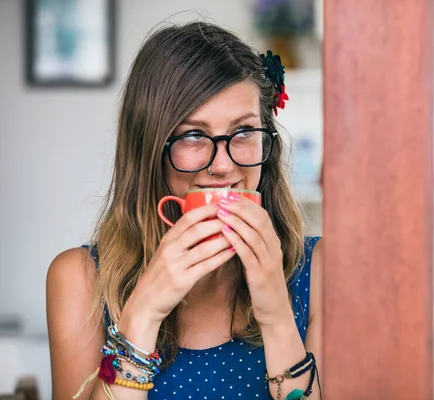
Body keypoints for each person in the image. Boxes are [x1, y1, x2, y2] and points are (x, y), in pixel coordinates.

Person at [46, 20, 322, 400]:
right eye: (193, 135)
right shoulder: (79, 279)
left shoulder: (319, 270)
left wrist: (276, 315)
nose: (223, 165)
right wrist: (141, 316)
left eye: (243, 132)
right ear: (149, 151)